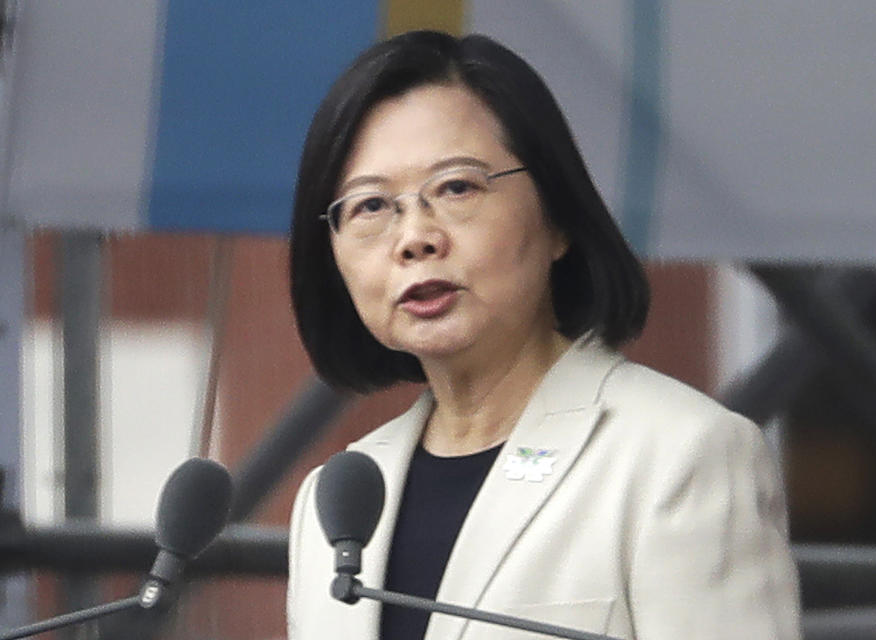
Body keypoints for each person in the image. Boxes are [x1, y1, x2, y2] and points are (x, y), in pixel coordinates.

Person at [287, 30, 800, 640]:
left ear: (557, 219)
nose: (415, 237)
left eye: (456, 188)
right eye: (370, 206)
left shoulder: (680, 458)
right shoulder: (333, 502)